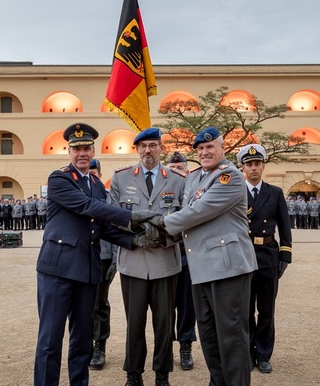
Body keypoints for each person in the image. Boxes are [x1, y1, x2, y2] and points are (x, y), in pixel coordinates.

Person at [33, 122, 162, 386]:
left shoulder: (95, 183)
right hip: (58, 270)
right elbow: (87, 206)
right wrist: (131, 216)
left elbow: (102, 227)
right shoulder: (59, 179)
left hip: (87, 271)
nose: (82, 153)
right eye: (77, 148)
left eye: (87, 148)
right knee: (50, 340)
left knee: (82, 340)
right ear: (69, 152)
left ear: (93, 151)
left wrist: (133, 239)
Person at [147, 127, 258, 386]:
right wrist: (164, 236)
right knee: (208, 336)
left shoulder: (229, 176)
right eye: (200, 149)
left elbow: (198, 211)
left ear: (222, 148)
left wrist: (160, 224)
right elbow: (187, 217)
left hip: (228, 268)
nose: (205, 152)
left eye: (210, 147)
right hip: (200, 269)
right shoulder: (194, 177)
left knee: (231, 337)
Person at [109, 128, 186, 386]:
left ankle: (162, 374)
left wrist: (163, 236)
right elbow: (112, 216)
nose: (147, 150)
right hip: (133, 261)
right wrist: (137, 230)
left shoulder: (177, 179)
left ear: (161, 148)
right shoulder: (121, 178)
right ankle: (134, 374)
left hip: (165, 261)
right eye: (142, 146)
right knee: (135, 323)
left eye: (153, 145)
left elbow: (186, 218)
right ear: (136, 149)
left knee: (165, 323)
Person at [236, 144, 292, 375]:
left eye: (257, 163)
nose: (253, 168)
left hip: (268, 256)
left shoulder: (275, 193)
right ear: (243, 168)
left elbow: (285, 226)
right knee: (246, 310)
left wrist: (285, 255)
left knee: (267, 310)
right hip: (243, 255)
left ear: (263, 166)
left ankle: (264, 354)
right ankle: (249, 354)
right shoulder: (235, 192)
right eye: (249, 164)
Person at [164, 152, 197, 372]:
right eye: (172, 168)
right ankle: (165, 346)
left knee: (187, 305)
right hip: (166, 254)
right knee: (164, 306)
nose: (177, 171)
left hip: (187, 254)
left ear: (186, 170)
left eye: (180, 168)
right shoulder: (161, 189)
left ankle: (186, 346)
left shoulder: (195, 190)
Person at [88, 159, 116, 371]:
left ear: (99, 175)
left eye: (94, 173)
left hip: (103, 257)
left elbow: (115, 230)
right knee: (80, 305)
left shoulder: (108, 199)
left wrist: (115, 259)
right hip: (80, 257)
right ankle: (84, 345)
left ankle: (99, 347)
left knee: (99, 303)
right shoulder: (74, 196)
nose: (91, 177)